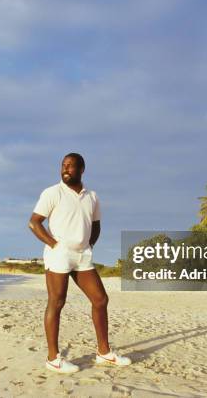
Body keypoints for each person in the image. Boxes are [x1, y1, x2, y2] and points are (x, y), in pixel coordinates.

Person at [28, 153, 132, 374]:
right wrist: (54, 244)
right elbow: (34, 223)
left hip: (83, 255)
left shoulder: (92, 196)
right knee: (56, 302)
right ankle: (53, 359)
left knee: (100, 299)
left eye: (71, 166)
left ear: (82, 169)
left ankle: (104, 353)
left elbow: (96, 225)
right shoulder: (52, 193)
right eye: (63, 165)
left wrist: (89, 245)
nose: (65, 169)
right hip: (59, 254)